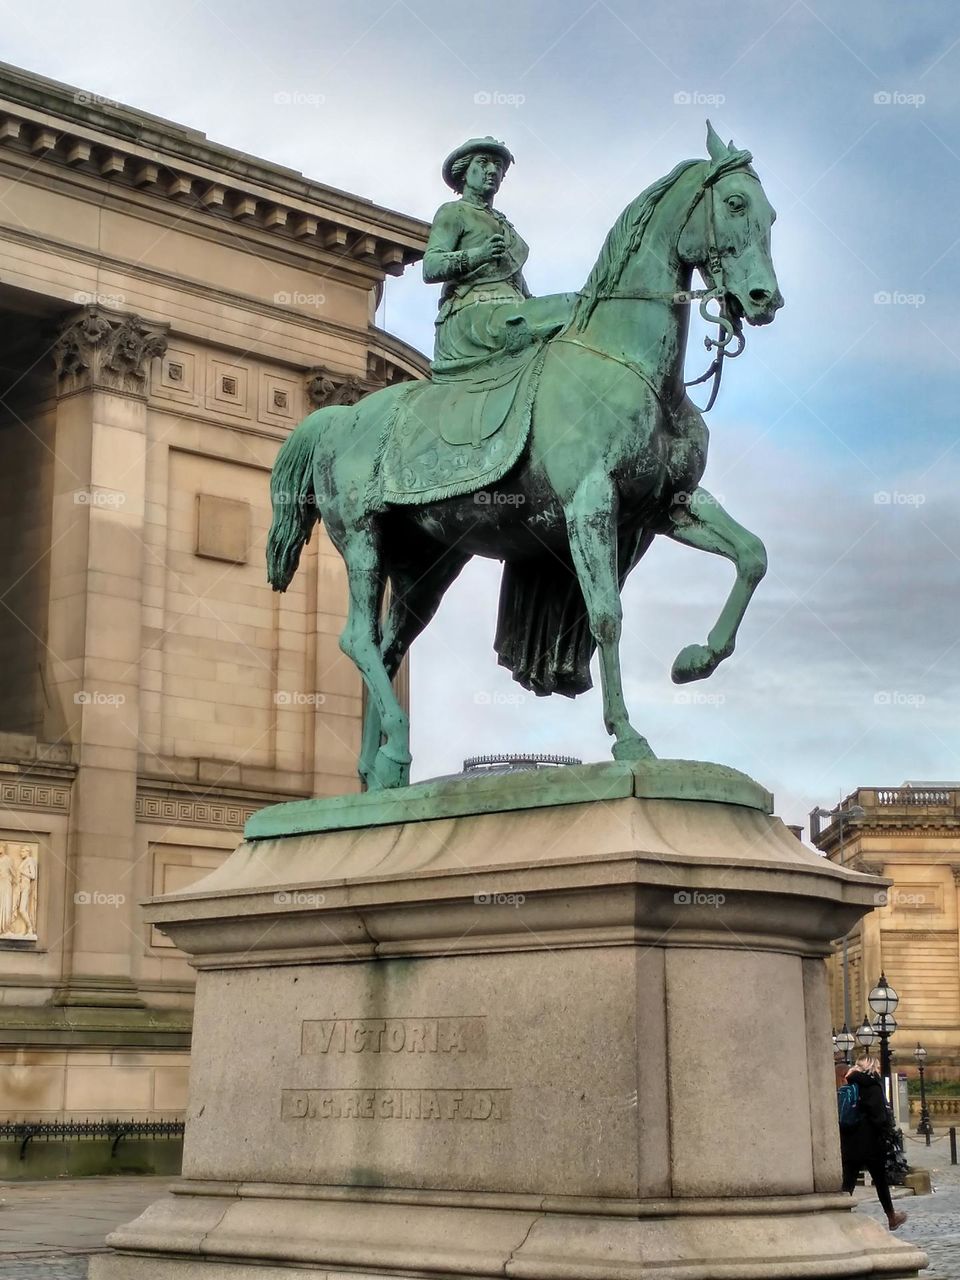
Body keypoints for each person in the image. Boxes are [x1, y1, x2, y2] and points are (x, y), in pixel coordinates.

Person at [422, 136, 574, 373]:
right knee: (571, 306)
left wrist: (532, 302)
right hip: (472, 315)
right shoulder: (454, 212)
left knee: (577, 308)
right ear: (464, 171)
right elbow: (430, 266)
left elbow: (516, 282)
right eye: (483, 163)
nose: (492, 170)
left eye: (498, 166)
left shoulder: (504, 224)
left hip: (510, 310)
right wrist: (478, 255)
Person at [839, 1056, 907, 1231]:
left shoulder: (850, 1083)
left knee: (849, 1180)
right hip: (870, 1141)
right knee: (880, 1179)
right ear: (872, 1068)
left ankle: (839, 1215)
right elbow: (879, 1117)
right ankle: (892, 1217)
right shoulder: (872, 1086)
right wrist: (886, 1132)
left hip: (849, 1139)